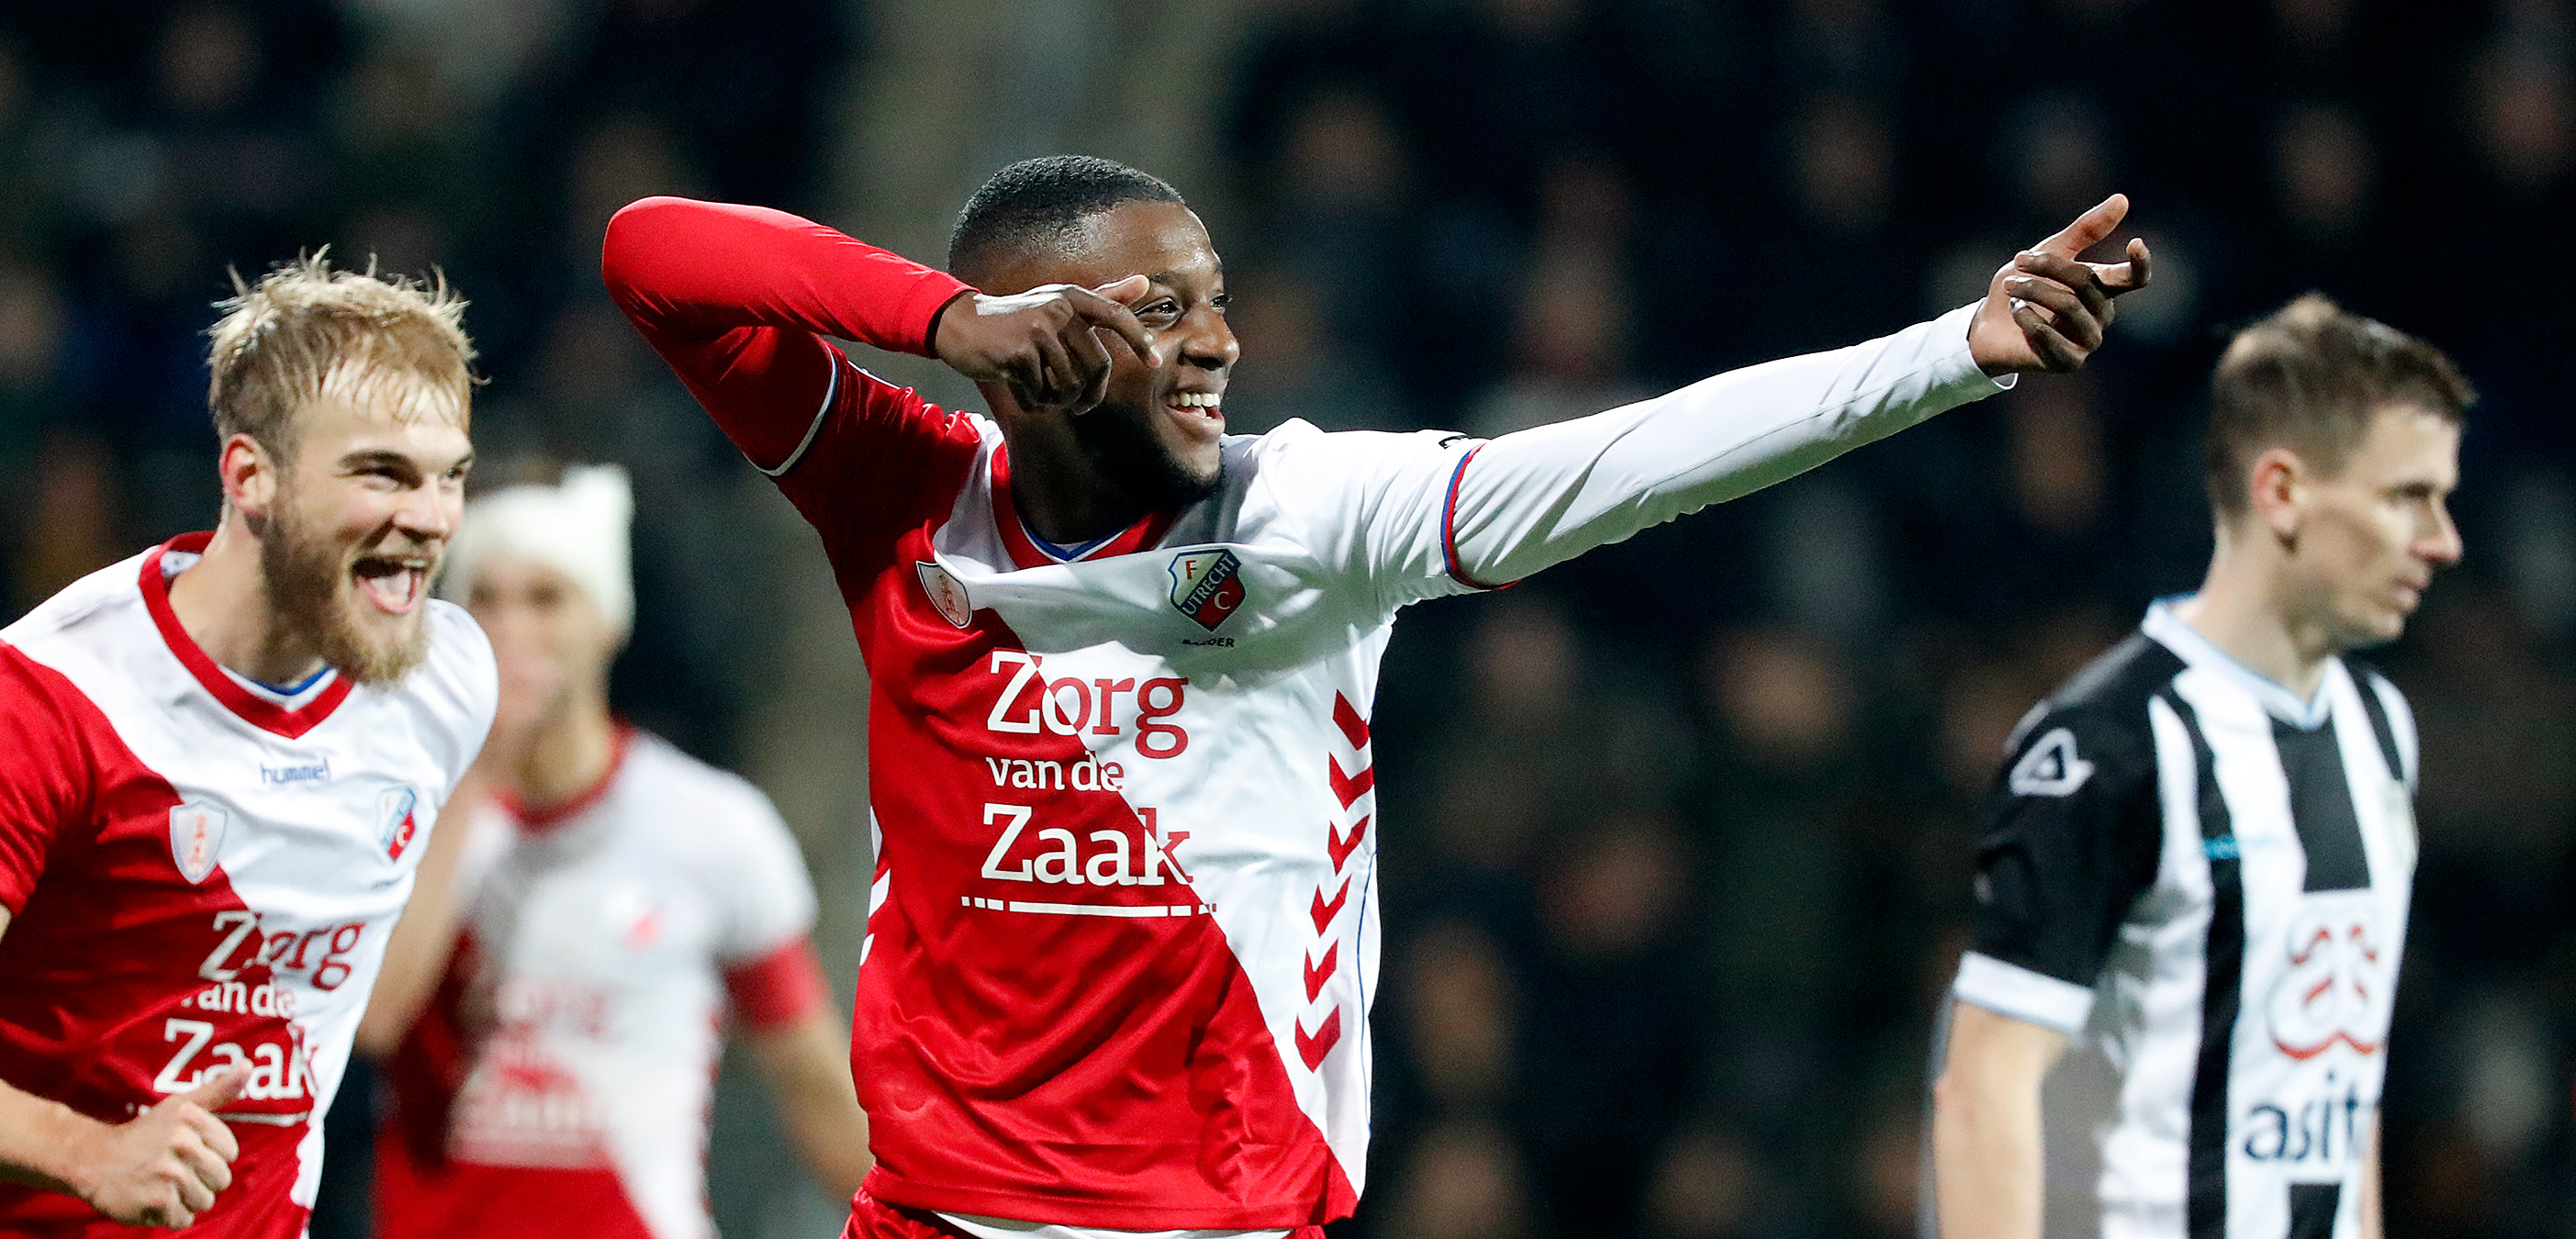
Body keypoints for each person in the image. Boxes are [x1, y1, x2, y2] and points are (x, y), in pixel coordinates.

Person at [599, 155, 2145, 1239]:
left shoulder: (1314, 518)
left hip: (1218, 1220)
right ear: (1029, 346)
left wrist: (1959, 352)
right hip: (935, 1214)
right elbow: (653, 255)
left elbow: (1639, 459)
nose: (1217, 338)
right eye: (1157, 308)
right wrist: (939, 320)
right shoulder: (901, 497)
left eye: (1212, 298)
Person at [0, 255, 497, 1237]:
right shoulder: (47, 697)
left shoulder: (447, 681)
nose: (428, 520)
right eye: (381, 472)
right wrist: (89, 1151)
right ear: (250, 475)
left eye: (449, 478)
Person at [1929, 295, 2471, 1239]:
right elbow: (1985, 1084)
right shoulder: (2109, 746)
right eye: (2404, 498)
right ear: (2283, 493)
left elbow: (2344, 1082)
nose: (2441, 541)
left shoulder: (2381, 725)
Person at [359, 464, 868, 1239]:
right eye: (486, 601)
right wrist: (476, 775)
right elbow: (373, 1021)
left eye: (545, 599)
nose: (512, 630)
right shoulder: (406, 817)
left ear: (606, 621)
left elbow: (809, 1079)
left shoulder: (710, 826)